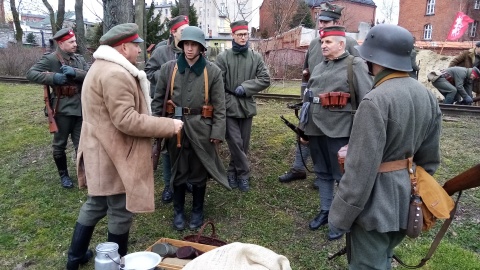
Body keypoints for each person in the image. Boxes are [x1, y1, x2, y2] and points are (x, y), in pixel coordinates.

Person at [65, 23, 183, 270]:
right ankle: (114, 264)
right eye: (135, 45)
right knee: (119, 210)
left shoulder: (100, 67)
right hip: (112, 152)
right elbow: (126, 120)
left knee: (96, 204)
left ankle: (75, 258)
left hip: (100, 148)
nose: (139, 50)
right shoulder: (115, 74)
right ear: (123, 47)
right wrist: (167, 126)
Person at [328, 24, 442, 269]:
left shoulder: (375, 100)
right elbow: (430, 160)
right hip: (408, 201)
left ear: (372, 59)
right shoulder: (427, 96)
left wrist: (340, 216)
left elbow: (360, 170)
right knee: (384, 258)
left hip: (375, 210)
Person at [151, 26, 230, 231]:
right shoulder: (169, 68)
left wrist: (217, 132)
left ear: (201, 47)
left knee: (198, 171)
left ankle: (197, 211)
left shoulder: (212, 72)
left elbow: (220, 107)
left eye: (193, 45)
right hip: (174, 127)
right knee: (177, 169)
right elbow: (158, 100)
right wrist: (158, 127)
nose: (189, 49)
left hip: (201, 129)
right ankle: (178, 211)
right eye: (186, 44)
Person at [299, 26, 372, 239]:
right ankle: (325, 210)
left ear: (342, 44)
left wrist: (360, 132)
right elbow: (308, 98)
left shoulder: (354, 65)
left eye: (329, 42)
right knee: (321, 172)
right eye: (322, 42)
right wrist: (303, 128)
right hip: (315, 127)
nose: (323, 45)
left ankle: (342, 219)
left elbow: (367, 99)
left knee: (343, 177)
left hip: (340, 129)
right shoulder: (320, 67)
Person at [278, 2, 359, 185]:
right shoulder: (315, 44)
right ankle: (298, 168)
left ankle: (326, 175)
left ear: (337, 22)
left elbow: (360, 72)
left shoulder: (350, 43)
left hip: (336, 106)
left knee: (330, 142)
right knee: (304, 132)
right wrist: (304, 99)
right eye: (320, 21)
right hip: (312, 102)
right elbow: (306, 74)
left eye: (326, 22)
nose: (321, 25)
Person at [26, 28, 89, 189]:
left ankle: (85, 175)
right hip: (61, 109)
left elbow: (90, 74)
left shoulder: (79, 59)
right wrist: (53, 77)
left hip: (81, 108)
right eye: (71, 42)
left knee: (82, 144)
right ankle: (64, 175)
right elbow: (31, 74)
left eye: (75, 41)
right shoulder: (51, 59)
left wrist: (75, 72)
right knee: (59, 145)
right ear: (61, 43)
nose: (75, 44)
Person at [215, 20, 271, 192]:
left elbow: (265, 79)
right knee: (235, 142)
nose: (243, 38)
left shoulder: (256, 57)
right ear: (232, 35)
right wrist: (225, 101)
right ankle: (244, 174)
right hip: (229, 106)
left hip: (247, 106)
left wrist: (246, 88)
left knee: (243, 145)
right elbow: (217, 84)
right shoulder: (223, 57)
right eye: (239, 34)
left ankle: (232, 172)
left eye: (246, 34)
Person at [145, 15, 190, 204]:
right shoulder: (162, 51)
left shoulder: (193, 48)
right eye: (183, 31)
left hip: (187, 105)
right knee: (166, 150)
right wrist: (167, 73)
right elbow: (149, 72)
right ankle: (168, 185)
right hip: (166, 106)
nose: (187, 34)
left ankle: (184, 180)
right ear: (173, 32)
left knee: (186, 144)